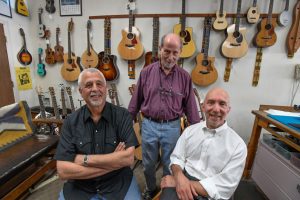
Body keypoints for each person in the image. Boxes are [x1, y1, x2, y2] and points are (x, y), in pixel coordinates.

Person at [128, 33, 200, 199]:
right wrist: (125, 124)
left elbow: (190, 107)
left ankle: (167, 192)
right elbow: (135, 101)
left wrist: (197, 130)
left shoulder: (185, 77)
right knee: (147, 164)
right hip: (149, 125)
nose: (171, 56)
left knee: (171, 164)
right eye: (167, 51)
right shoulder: (146, 73)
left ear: (180, 53)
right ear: (160, 50)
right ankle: (151, 188)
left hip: (173, 126)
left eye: (175, 52)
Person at [55, 68, 140, 200]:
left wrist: (83, 159)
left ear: (105, 88)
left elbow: (128, 158)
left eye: (99, 84)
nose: (95, 89)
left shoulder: (122, 115)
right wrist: (114, 160)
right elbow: (63, 171)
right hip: (80, 187)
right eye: (89, 85)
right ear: (80, 91)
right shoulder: (71, 122)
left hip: (118, 184)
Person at [160, 88, 247, 200]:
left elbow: (224, 188)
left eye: (222, 104)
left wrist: (176, 182)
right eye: (211, 102)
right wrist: (178, 176)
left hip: (212, 194)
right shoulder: (189, 131)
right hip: (183, 177)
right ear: (203, 107)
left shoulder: (238, 146)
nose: (216, 109)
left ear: (228, 110)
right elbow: (177, 158)